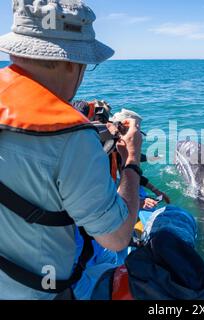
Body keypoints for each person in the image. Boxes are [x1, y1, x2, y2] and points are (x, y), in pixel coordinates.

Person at [0, 0, 142, 300]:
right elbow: (117, 237)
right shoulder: (72, 139)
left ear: (15, 50)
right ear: (71, 63)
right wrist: (131, 161)